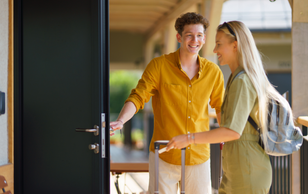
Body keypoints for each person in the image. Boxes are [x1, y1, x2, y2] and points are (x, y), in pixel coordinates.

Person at [165, 21, 293, 193]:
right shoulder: (237, 78)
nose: (214, 50)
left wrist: (188, 138)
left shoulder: (242, 81)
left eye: (218, 44)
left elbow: (232, 131)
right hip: (238, 168)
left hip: (247, 171)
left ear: (235, 45)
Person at [110, 12, 225, 194]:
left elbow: (220, 108)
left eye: (199, 35)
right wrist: (121, 121)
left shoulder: (213, 72)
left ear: (204, 38)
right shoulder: (159, 66)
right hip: (164, 155)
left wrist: (227, 135)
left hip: (198, 156)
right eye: (189, 35)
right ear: (179, 37)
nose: (195, 40)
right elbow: (138, 97)